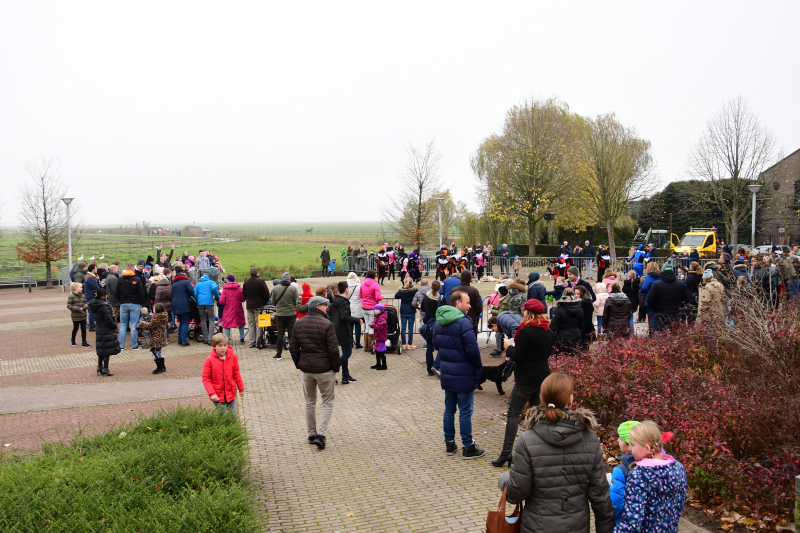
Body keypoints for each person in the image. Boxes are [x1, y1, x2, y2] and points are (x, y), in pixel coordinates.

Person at [498, 373, 614, 532]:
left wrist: (505, 479)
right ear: (570, 399)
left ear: (542, 398)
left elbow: (516, 493)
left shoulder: (527, 440)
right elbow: (600, 495)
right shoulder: (590, 439)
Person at [491, 299, 554, 468]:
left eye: (524, 310)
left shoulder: (526, 331)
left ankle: (506, 453)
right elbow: (547, 353)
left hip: (526, 378)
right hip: (542, 377)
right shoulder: (548, 331)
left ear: (528, 312)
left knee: (513, 413)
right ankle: (540, 451)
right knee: (537, 414)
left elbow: (517, 356)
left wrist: (508, 347)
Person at [613, 421, 687, 532]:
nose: (631, 449)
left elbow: (632, 521)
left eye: (633, 445)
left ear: (647, 449)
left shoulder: (639, 474)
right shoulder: (678, 467)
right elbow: (679, 504)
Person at [435, 290, 484, 459]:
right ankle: (468, 446)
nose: (470, 305)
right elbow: (473, 350)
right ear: (458, 303)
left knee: (449, 408)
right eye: (467, 302)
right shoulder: (464, 323)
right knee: (465, 411)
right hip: (463, 372)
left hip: (448, 372)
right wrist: (478, 367)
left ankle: (449, 443)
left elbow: (436, 345)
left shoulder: (439, 321)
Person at [289, 296, 339, 450]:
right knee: (328, 402)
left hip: (306, 370)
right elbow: (333, 350)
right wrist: (336, 368)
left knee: (310, 402)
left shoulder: (299, 323)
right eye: (325, 306)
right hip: (324, 369)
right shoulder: (327, 324)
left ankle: (311, 434)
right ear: (318, 307)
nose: (327, 308)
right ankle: (321, 435)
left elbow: (293, 347)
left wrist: (299, 364)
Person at [202, 333, 245, 415]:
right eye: (220, 345)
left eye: (225, 345)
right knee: (224, 415)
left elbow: (236, 373)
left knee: (233, 415)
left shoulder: (233, 357)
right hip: (217, 395)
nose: (223, 348)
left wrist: (241, 388)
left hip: (230, 393)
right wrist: (212, 394)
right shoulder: (209, 360)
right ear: (214, 347)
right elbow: (206, 379)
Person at [330, 281, 363, 384]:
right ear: (346, 289)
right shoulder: (344, 302)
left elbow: (331, 314)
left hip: (336, 329)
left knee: (344, 352)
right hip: (343, 330)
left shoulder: (335, 300)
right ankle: (331, 370)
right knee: (347, 352)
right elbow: (344, 317)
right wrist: (357, 320)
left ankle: (345, 376)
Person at [609, 421, 641, 522]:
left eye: (621, 438)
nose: (618, 440)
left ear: (629, 442)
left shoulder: (620, 470)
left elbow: (615, 503)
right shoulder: (662, 466)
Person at [646, 263, 690, 333]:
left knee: (661, 333)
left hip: (660, 313)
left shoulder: (657, 284)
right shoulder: (681, 284)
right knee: (675, 334)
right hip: (676, 312)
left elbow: (650, 300)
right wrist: (679, 307)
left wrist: (656, 309)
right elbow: (686, 299)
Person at [88, 288, 119, 376]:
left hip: (99, 328)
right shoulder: (104, 306)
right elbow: (108, 319)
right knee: (106, 349)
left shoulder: (94, 305)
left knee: (101, 348)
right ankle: (105, 367)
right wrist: (114, 325)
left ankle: (99, 366)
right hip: (106, 329)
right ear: (103, 296)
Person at [117, 263, 147, 351]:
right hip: (135, 304)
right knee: (134, 324)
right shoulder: (137, 279)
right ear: (133, 269)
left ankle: (121, 346)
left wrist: (121, 301)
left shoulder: (120, 280)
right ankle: (135, 345)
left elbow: (116, 292)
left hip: (123, 304)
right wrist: (140, 302)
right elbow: (141, 293)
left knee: (123, 325)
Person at [271, 272, 301, 360]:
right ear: (289, 280)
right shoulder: (293, 288)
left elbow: (273, 301)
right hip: (291, 314)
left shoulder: (276, 288)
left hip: (280, 314)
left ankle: (278, 354)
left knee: (280, 334)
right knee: (292, 334)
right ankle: (294, 354)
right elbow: (297, 300)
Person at [137, 302, 169, 374]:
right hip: (161, 336)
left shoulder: (156, 317)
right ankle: (162, 366)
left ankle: (159, 367)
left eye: (154, 308)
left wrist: (142, 324)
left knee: (153, 351)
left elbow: (150, 327)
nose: (153, 310)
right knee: (158, 351)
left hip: (156, 337)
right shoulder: (164, 316)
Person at [242, 267, 270, 348]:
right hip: (259, 306)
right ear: (257, 273)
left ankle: (251, 342)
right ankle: (258, 342)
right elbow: (266, 294)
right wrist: (264, 302)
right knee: (259, 324)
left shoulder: (246, 282)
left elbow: (244, 295)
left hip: (249, 306)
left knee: (251, 324)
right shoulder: (261, 281)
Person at [550, 288, 584, 353]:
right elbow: (581, 324)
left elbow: (554, 326)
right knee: (575, 357)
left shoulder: (558, 309)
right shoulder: (580, 309)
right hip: (576, 334)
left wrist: (553, 338)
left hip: (562, 336)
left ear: (563, 294)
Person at [359, 270, 382, 353]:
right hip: (372, 308)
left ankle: (366, 346)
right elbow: (378, 297)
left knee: (367, 326)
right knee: (372, 326)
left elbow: (361, 295)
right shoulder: (376, 285)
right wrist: (381, 296)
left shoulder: (362, 284)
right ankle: (371, 346)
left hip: (364, 308)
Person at [420, 280, 441, 375]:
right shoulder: (441, 298)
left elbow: (423, 308)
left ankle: (429, 369)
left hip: (428, 323)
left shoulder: (426, 296)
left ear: (431, 287)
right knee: (441, 347)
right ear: (439, 288)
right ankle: (436, 366)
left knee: (429, 348)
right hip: (437, 324)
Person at [194, 273, 220, 346]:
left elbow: (195, 293)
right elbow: (214, 288)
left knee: (202, 320)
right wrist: (217, 297)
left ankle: (205, 338)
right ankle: (210, 338)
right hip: (209, 302)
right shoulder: (211, 282)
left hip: (200, 303)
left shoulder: (197, 284)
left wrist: (198, 300)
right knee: (211, 319)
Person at [170, 267, 194, 347]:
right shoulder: (186, 282)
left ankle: (180, 340)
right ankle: (184, 341)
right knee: (185, 323)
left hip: (175, 304)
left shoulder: (174, 283)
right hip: (183, 304)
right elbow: (191, 292)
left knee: (181, 322)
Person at [219, 275, 246, 345]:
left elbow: (221, 301)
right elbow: (243, 299)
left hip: (228, 308)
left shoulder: (225, 289)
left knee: (227, 323)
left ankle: (227, 339)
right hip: (238, 308)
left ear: (228, 280)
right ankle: (242, 338)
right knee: (241, 322)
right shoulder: (239, 288)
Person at [394, 277, 418, 349]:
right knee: (410, 328)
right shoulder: (414, 290)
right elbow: (418, 293)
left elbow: (396, 296)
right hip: (411, 310)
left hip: (403, 310)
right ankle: (410, 344)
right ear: (412, 283)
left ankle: (404, 344)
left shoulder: (402, 290)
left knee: (403, 328)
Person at [639, 262, 661, 337]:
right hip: (660, 299)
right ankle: (660, 333)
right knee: (659, 317)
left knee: (651, 318)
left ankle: (652, 334)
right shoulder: (661, 276)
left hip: (650, 299)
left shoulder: (649, 276)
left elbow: (644, 288)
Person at [457, 271, 483, 335]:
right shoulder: (474, 291)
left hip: (457, 319)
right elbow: (479, 306)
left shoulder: (454, 290)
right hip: (471, 319)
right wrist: (476, 315)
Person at [67, 282, 90, 347]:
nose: (81, 289)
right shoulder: (71, 296)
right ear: (76, 288)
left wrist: (85, 306)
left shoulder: (82, 295)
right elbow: (69, 305)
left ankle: (84, 342)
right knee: (75, 328)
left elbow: (86, 302)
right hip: (75, 316)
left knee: (83, 329)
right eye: (80, 287)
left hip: (83, 315)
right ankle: (73, 339)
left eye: (82, 287)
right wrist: (77, 308)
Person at [346, 273, 364, 348]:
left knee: (350, 327)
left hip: (349, 308)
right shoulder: (360, 286)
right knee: (358, 326)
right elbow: (362, 296)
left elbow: (346, 297)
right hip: (358, 308)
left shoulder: (346, 286)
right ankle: (357, 343)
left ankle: (350, 343)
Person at [153, 269, 172, 342]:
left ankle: (162, 338)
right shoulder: (168, 286)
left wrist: (154, 307)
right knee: (166, 323)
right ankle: (167, 338)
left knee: (160, 324)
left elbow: (157, 299)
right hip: (168, 305)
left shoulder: (159, 287)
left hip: (160, 307)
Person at [369, 304, 389, 370]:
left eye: (377, 309)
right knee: (377, 351)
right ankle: (378, 363)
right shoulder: (378, 317)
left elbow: (379, 327)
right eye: (374, 309)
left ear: (381, 311)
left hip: (381, 338)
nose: (375, 310)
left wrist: (373, 325)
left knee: (380, 351)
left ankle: (384, 365)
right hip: (378, 337)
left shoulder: (382, 319)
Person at [84, 264, 100, 331]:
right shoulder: (90, 277)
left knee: (91, 310)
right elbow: (95, 287)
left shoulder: (89, 276)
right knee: (91, 311)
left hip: (89, 295)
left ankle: (92, 325)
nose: (97, 269)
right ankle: (92, 326)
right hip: (91, 295)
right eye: (96, 268)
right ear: (93, 269)